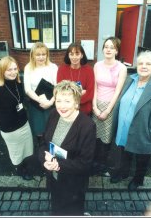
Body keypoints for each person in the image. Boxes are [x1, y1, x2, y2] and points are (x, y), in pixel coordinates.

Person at [38, 80, 96, 216]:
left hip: (73, 183)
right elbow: (43, 144)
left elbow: (85, 164)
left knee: (73, 211)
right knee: (57, 208)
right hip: (53, 177)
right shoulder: (53, 115)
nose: (62, 106)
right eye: (58, 101)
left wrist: (57, 164)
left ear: (76, 103)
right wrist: (44, 161)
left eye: (67, 101)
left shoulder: (87, 126)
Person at [111, 50, 151, 190]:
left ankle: (138, 179)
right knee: (124, 152)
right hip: (124, 127)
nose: (144, 66)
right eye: (140, 63)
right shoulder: (131, 79)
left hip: (143, 130)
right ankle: (123, 173)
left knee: (142, 158)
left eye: (148, 64)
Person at [0, 56, 34, 180]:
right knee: (17, 153)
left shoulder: (18, 83)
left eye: (15, 69)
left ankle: (25, 166)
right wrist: (7, 123)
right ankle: (20, 171)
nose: (13, 72)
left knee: (27, 148)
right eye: (9, 70)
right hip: (11, 130)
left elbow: (20, 100)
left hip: (24, 124)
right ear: (2, 71)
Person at [92, 36, 127, 174]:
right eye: (106, 46)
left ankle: (102, 165)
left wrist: (107, 110)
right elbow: (95, 87)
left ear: (116, 51)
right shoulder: (97, 65)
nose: (108, 49)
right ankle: (94, 164)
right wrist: (94, 106)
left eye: (112, 47)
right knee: (95, 136)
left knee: (106, 138)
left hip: (110, 106)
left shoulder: (121, 68)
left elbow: (118, 91)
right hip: (97, 104)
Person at [24, 42, 58, 145]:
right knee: (39, 131)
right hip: (36, 104)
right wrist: (40, 100)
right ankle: (41, 151)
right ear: (33, 55)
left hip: (51, 103)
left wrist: (50, 102)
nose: (41, 57)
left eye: (44, 54)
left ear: (47, 55)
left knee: (52, 130)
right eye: (38, 55)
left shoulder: (53, 67)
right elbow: (28, 89)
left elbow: (57, 87)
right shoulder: (28, 67)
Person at [57, 43, 94, 115]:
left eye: (77, 54)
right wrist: (80, 93)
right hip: (67, 110)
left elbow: (90, 93)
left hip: (84, 110)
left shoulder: (89, 70)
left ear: (81, 55)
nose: (74, 57)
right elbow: (61, 91)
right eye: (71, 54)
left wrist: (71, 96)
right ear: (68, 55)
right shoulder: (62, 69)